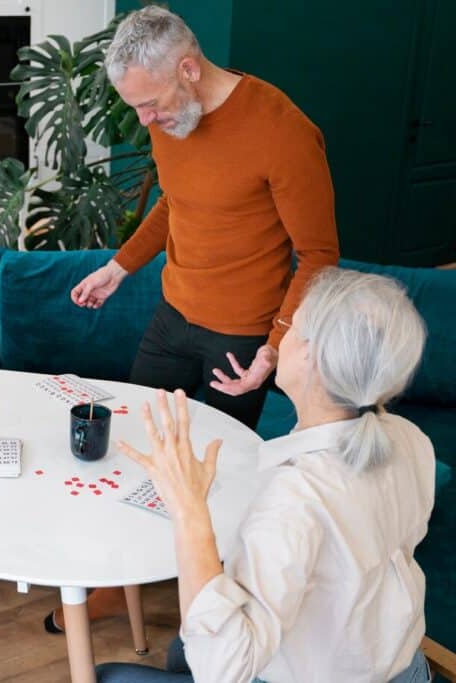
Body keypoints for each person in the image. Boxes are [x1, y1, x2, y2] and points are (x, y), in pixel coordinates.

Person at [53, 5, 341, 633]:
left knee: (215, 479)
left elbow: (319, 255)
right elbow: (173, 203)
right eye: (134, 107)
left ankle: (209, 613)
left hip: (242, 338)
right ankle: (116, 582)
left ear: (188, 69)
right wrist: (120, 267)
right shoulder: (169, 114)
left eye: (149, 104)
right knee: (140, 447)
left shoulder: (282, 130)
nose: (144, 120)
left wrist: (274, 348)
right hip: (172, 313)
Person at [97, 267, 433, 682]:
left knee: (107, 675)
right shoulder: (410, 438)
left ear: (311, 355)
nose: (280, 337)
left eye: (290, 324)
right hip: (401, 666)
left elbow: (222, 670)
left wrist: (188, 509)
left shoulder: (294, 497)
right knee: (182, 649)